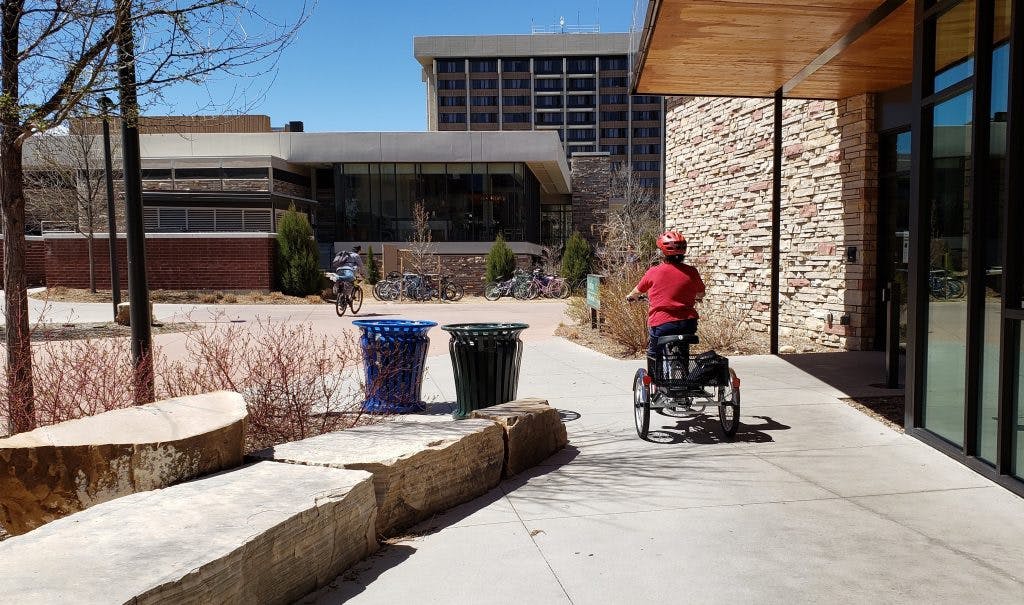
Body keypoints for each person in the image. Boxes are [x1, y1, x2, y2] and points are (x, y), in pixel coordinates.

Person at [625, 230, 705, 377]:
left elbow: (637, 291)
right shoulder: (691, 272)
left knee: (654, 352)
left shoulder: (654, 272)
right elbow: (701, 293)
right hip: (688, 323)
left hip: (662, 324)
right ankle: (684, 378)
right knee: (683, 348)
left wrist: (631, 296)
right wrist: (694, 296)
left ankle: (657, 382)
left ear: (661, 252)